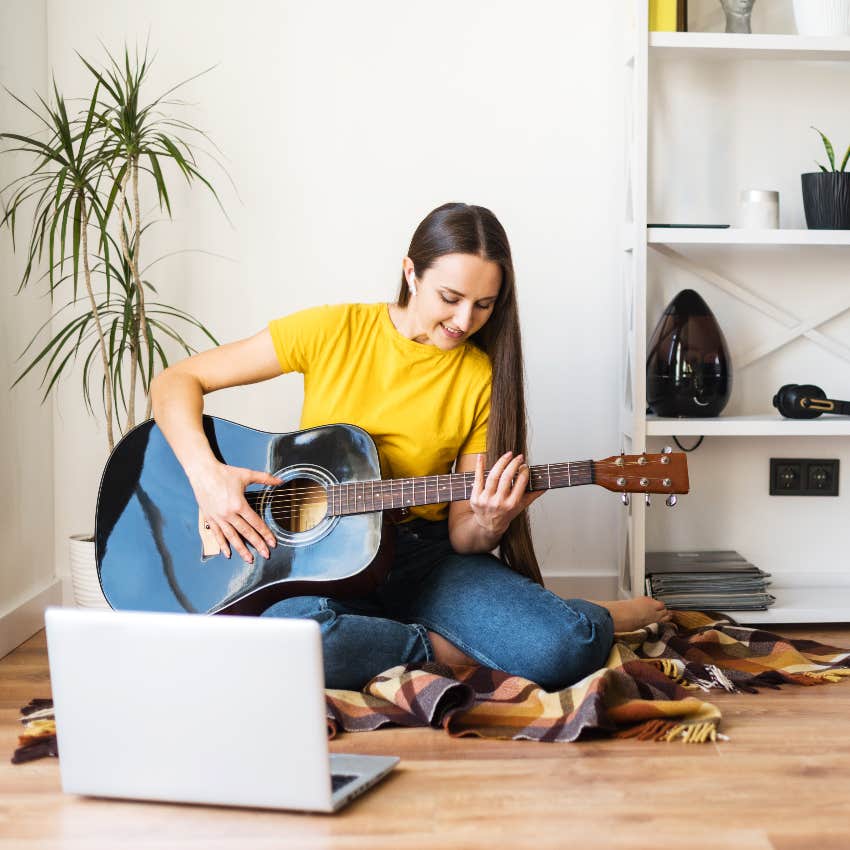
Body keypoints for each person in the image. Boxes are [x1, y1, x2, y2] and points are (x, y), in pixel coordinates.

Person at [150, 202, 670, 692]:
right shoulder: (333, 330)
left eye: (484, 305)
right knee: (296, 640)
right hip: (312, 557)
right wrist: (208, 477)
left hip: (421, 555)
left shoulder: (482, 376)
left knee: (564, 647)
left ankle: (585, 616)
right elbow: (177, 380)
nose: (465, 321)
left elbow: (466, 536)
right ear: (410, 272)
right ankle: (446, 647)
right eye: (451, 298)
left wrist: (490, 519)